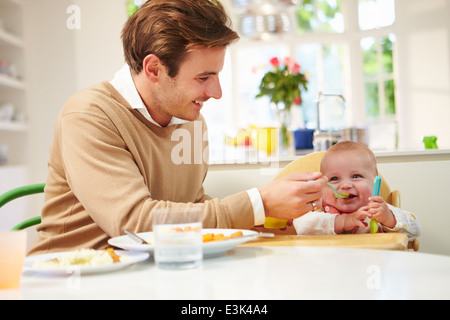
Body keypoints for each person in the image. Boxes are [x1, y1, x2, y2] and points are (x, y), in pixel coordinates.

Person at [29, 0, 327, 255]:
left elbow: (190, 208)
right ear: (154, 69)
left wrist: (268, 218)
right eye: (203, 77)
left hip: (152, 275)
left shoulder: (191, 122)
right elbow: (136, 223)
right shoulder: (89, 115)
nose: (217, 92)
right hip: (71, 280)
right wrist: (258, 203)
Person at [293, 141, 421, 240]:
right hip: (328, 270)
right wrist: (343, 221)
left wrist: (388, 218)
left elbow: (415, 230)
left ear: (374, 181)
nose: (346, 185)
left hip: (371, 269)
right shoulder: (318, 209)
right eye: (334, 178)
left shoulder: (377, 210)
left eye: (356, 176)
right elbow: (301, 226)